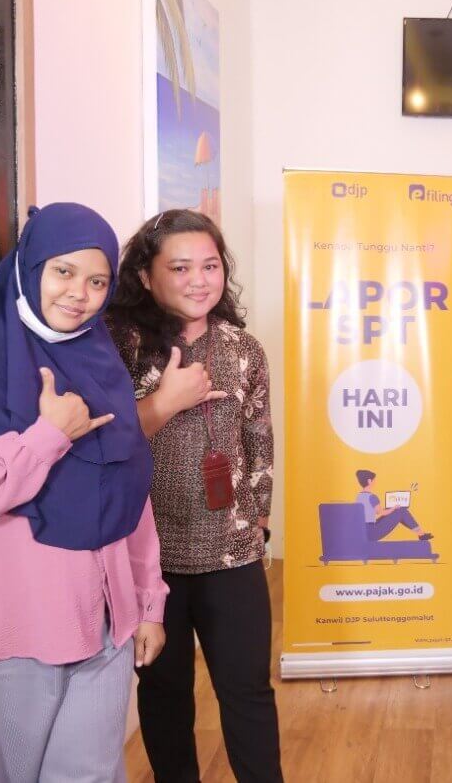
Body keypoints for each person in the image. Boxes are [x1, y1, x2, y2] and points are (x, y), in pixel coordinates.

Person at [0, 202, 168, 782]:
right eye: (63, 272)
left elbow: (131, 496)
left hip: (101, 635)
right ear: (29, 267)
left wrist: (147, 602)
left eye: (98, 281)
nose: (80, 295)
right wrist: (45, 438)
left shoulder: (102, 367)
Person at [107, 208, 282, 783]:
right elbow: (100, 443)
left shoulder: (243, 348)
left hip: (231, 552)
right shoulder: (117, 346)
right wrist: (164, 402)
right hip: (148, 558)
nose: (199, 280)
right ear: (145, 276)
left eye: (210, 265)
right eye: (180, 267)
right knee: (163, 695)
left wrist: (258, 520)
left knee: (248, 692)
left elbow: (258, 440)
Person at [354, 469, 432, 541]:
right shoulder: (372, 497)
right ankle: (421, 534)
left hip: (364, 531)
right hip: (372, 533)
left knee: (397, 511)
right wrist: (394, 508)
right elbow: (381, 513)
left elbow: (375, 511)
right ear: (369, 481)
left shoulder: (359, 496)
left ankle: (420, 533)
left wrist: (391, 509)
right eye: (374, 480)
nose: (375, 482)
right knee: (401, 511)